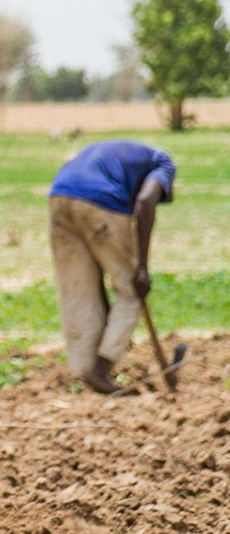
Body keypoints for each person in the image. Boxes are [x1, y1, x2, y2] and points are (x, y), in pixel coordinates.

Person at [47, 138, 175, 394]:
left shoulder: (121, 154)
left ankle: (84, 373)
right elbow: (146, 201)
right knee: (131, 292)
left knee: (80, 290)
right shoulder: (164, 164)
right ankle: (99, 371)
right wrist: (141, 268)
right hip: (101, 201)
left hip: (59, 195)